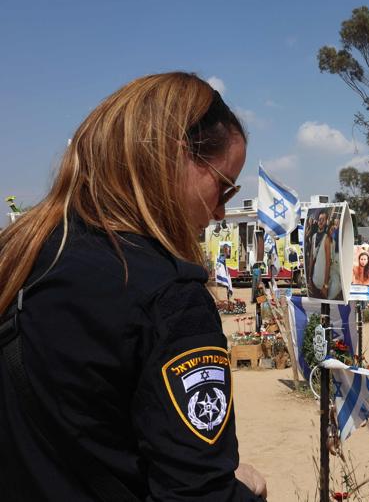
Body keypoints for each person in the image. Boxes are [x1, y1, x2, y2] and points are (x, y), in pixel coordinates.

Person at [0, 73, 266, 500]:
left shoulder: (22, 254)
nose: (219, 212)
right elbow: (197, 493)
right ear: (175, 157)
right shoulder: (166, 295)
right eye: (224, 187)